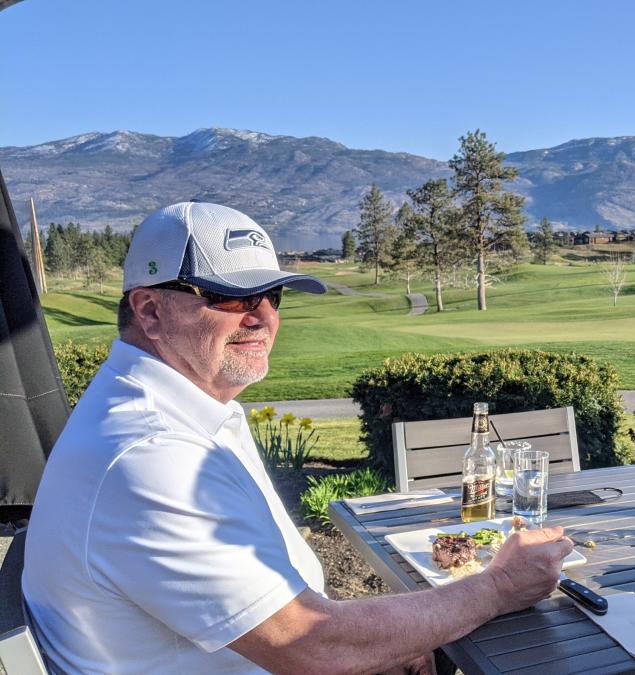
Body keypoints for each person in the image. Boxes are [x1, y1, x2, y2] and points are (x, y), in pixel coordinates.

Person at [22, 202, 573, 674]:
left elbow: (298, 627)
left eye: (272, 297)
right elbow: (308, 643)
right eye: (233, 298)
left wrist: (384, 642)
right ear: (150, 311)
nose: (262, 319)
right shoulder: (151, 454)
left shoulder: (187, 412)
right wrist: (497, 588)